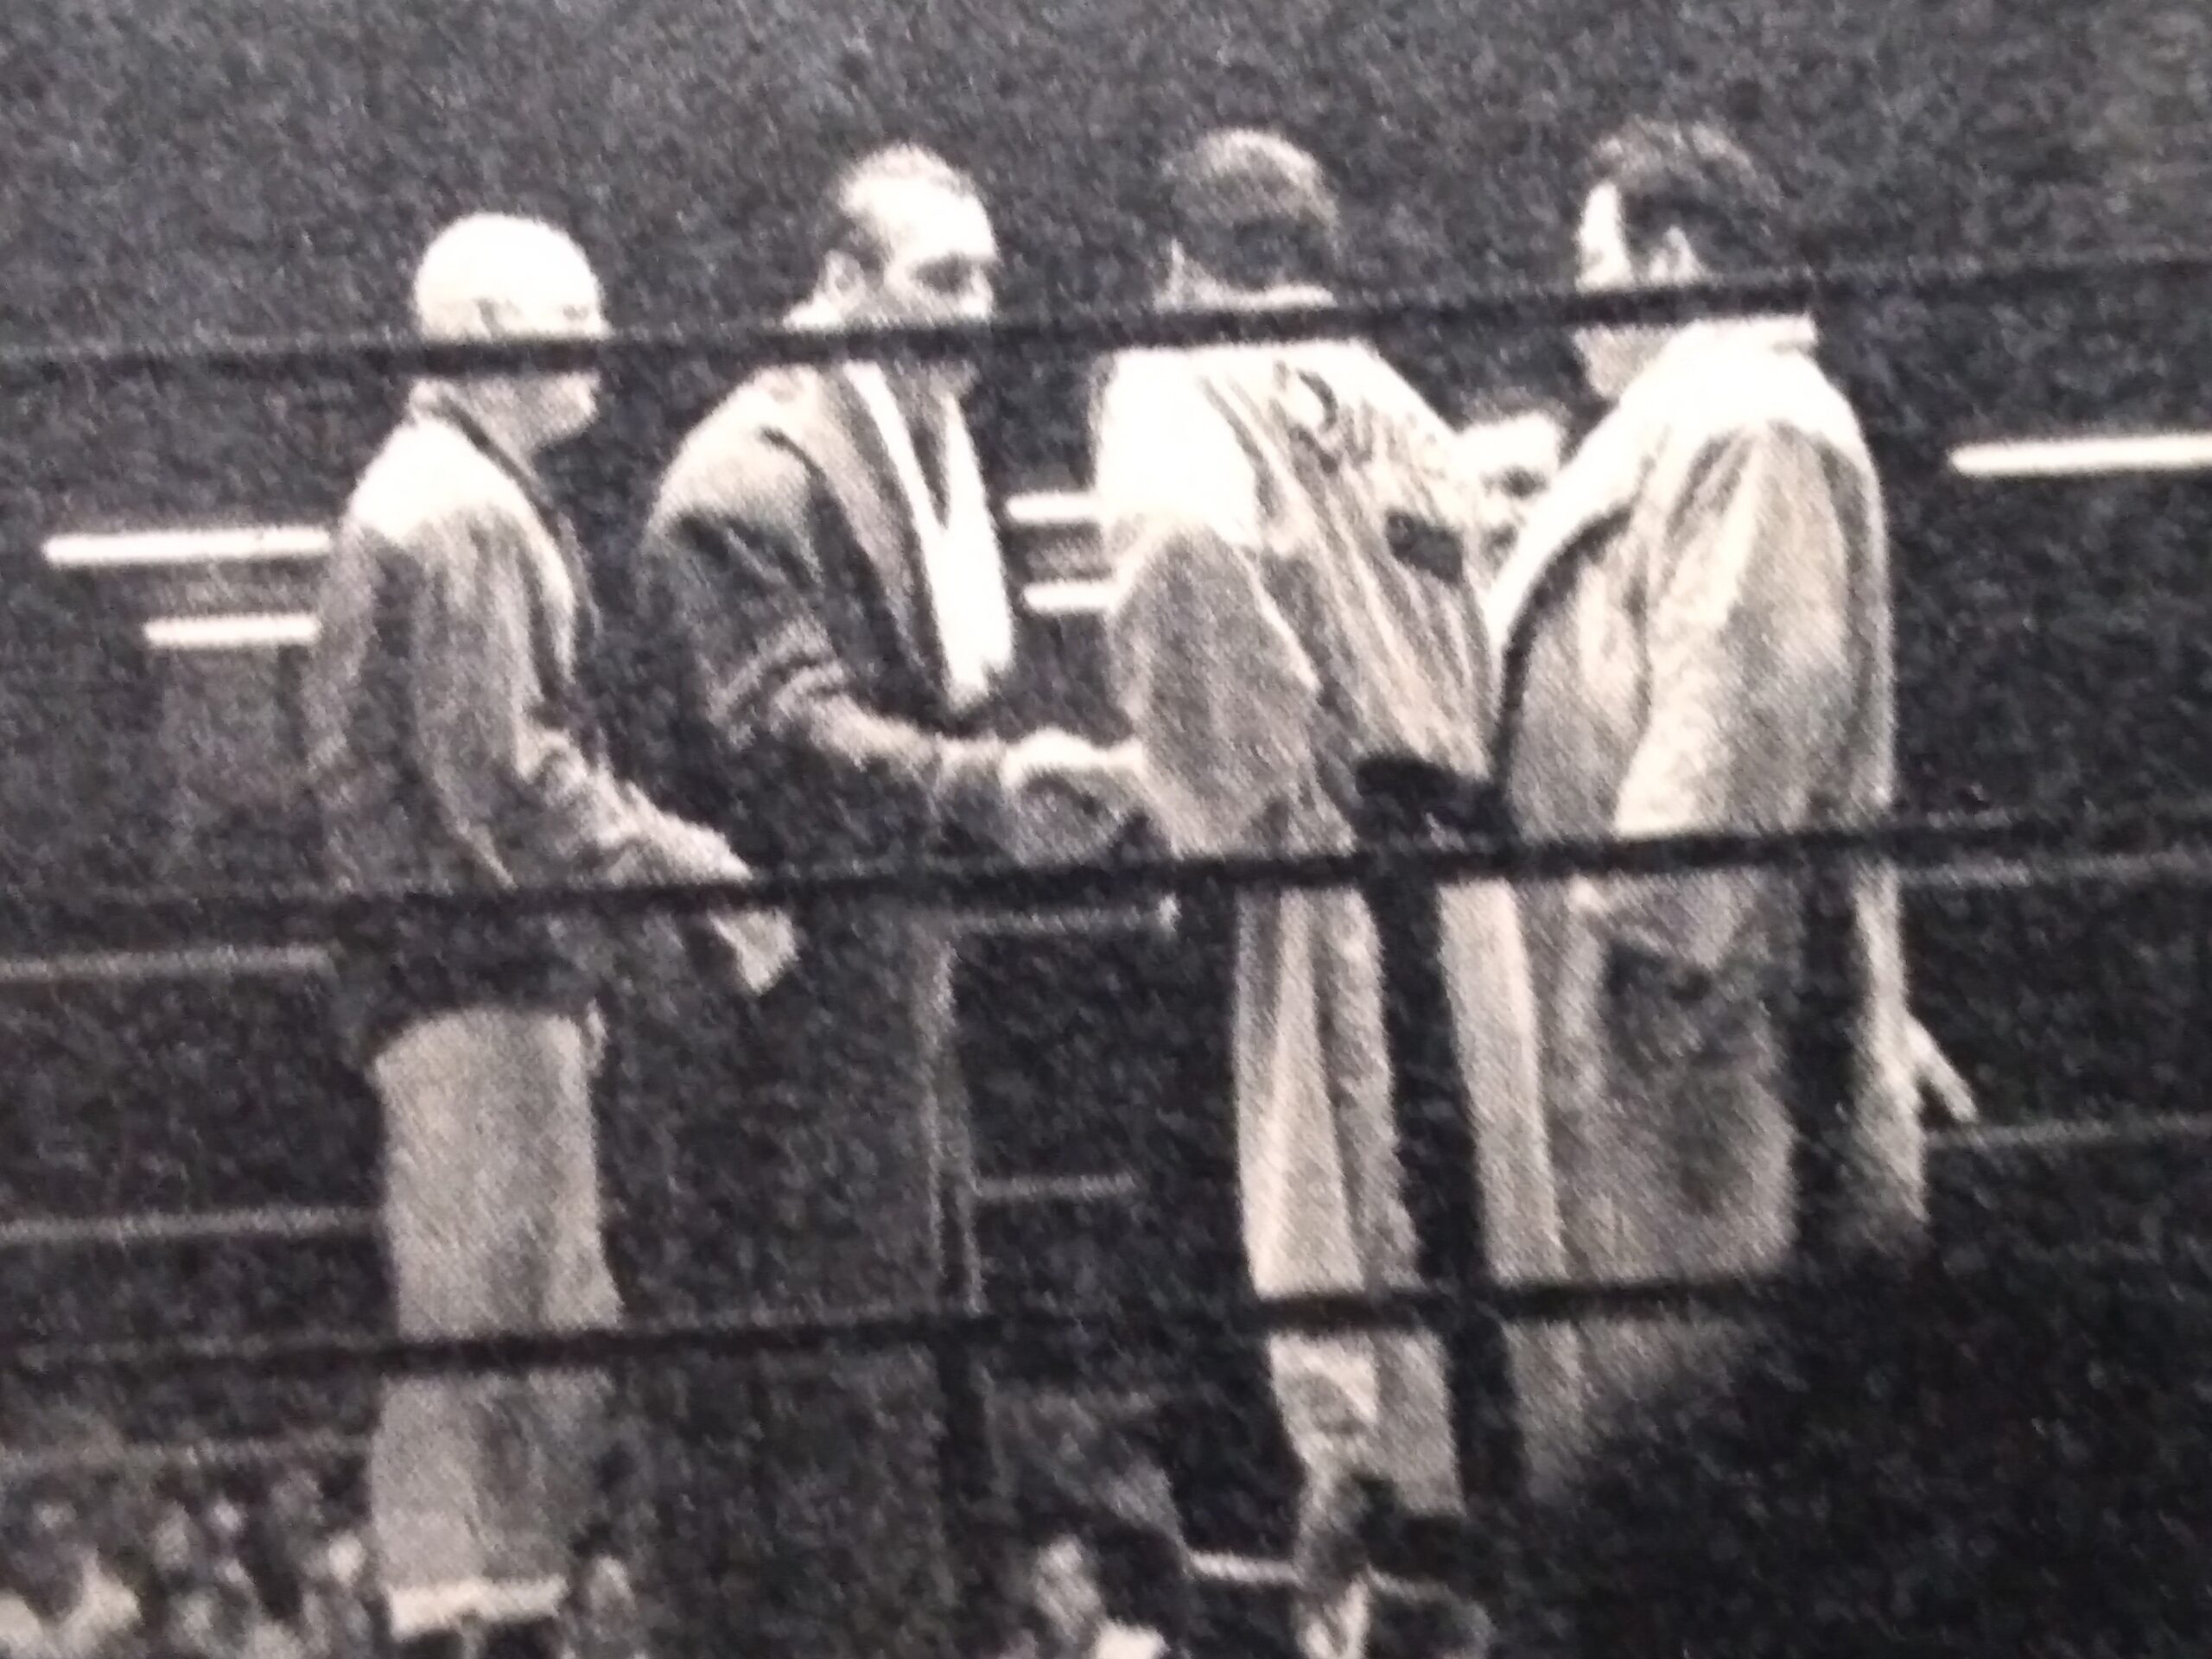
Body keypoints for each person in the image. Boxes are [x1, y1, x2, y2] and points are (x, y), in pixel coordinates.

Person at [625, 146, 1149, 1659]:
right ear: (842, 284)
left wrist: (1006, 792)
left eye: (989, 278)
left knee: (899, 1400)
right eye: (940, 277)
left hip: (867, 1001)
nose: (974, 310)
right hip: (776, 1038)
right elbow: (785, 731)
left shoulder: (891, 467)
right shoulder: (749, 481)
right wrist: (982, 788)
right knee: (831, 1413)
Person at [1091, 130, 1578, 1654]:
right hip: (1456, 889)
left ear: (1178, 264)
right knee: (1458, 1325)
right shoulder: (1406, 407)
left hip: (1313, 879)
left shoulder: (1179, 374)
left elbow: (1180, 548)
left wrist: (1239, 796)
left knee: (1266, 1317)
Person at [302, 213, 794, 1652]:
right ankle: (461, 1624)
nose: (600, 340)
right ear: (484, 331)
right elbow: (507, 782)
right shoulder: (459, 510)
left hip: (484, 960)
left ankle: (499, 1613)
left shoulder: (458, 493)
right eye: (571, 314)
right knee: (492, 1311)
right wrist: (690, 867)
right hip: (469, 961)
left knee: (545, 1311)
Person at [1484, 120, 1927, 1630]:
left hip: (1688, 1021)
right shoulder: (1702, 425)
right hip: (1663, 1008)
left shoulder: (1753, 417)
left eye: (1591, 262)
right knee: (1674, 1415)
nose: (1572, 303)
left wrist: (1645, 955)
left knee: (1704, 1420)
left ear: (1672, 259)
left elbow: (1742, 710)